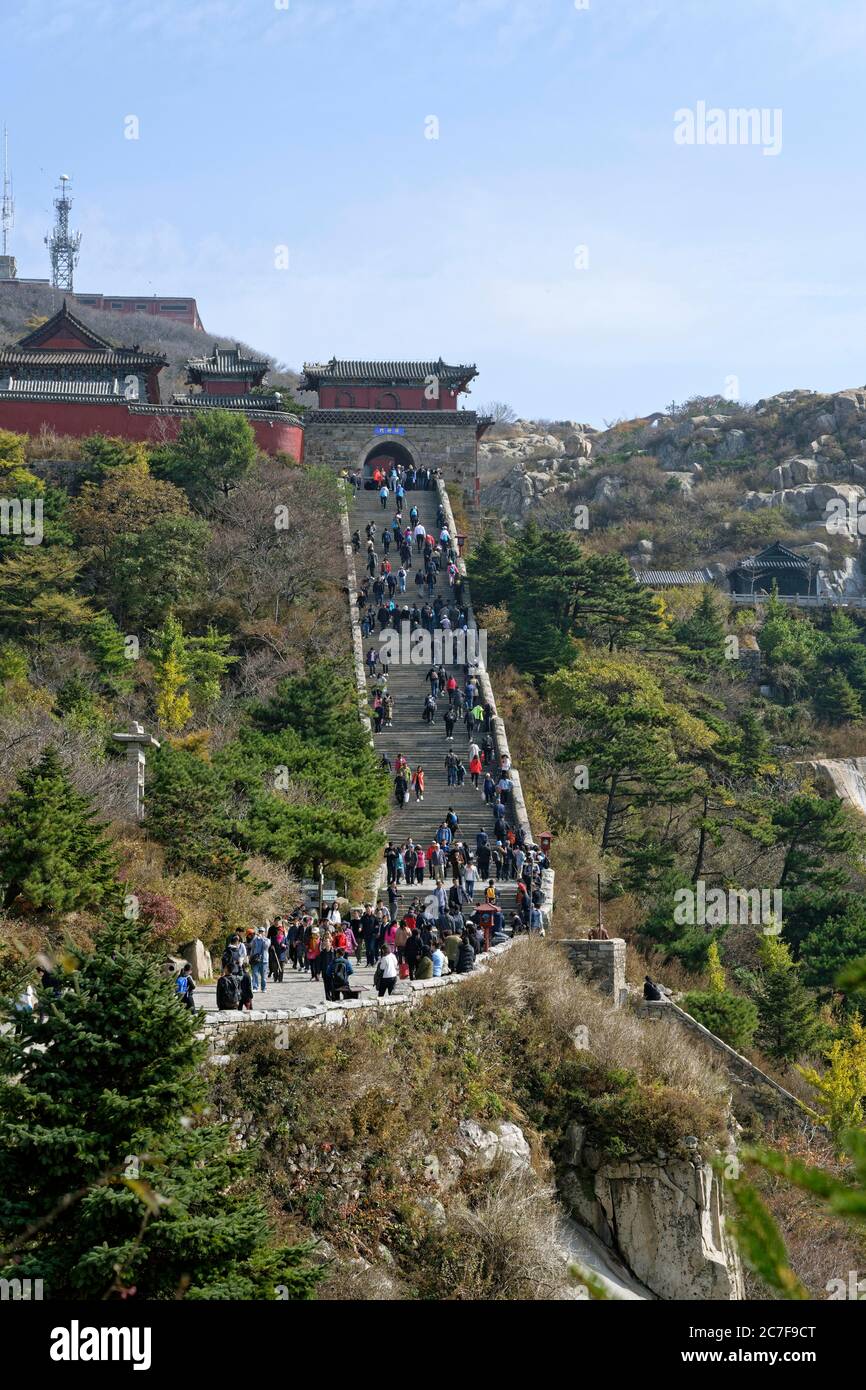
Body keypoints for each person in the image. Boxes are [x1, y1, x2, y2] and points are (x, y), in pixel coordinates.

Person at [249, 926, 269, 993]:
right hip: (256, 960)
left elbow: (266, 946)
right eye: (260, 931)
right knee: (255, 974)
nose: (261, 932)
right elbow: (252, 948)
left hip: (264, 960)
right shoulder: (255, 940)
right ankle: (255, 987)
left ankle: (264, 988)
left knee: (263, 976)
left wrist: (262, 939)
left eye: (262, 931)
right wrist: (251, 957)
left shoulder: (267, 940)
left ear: (264, 933)